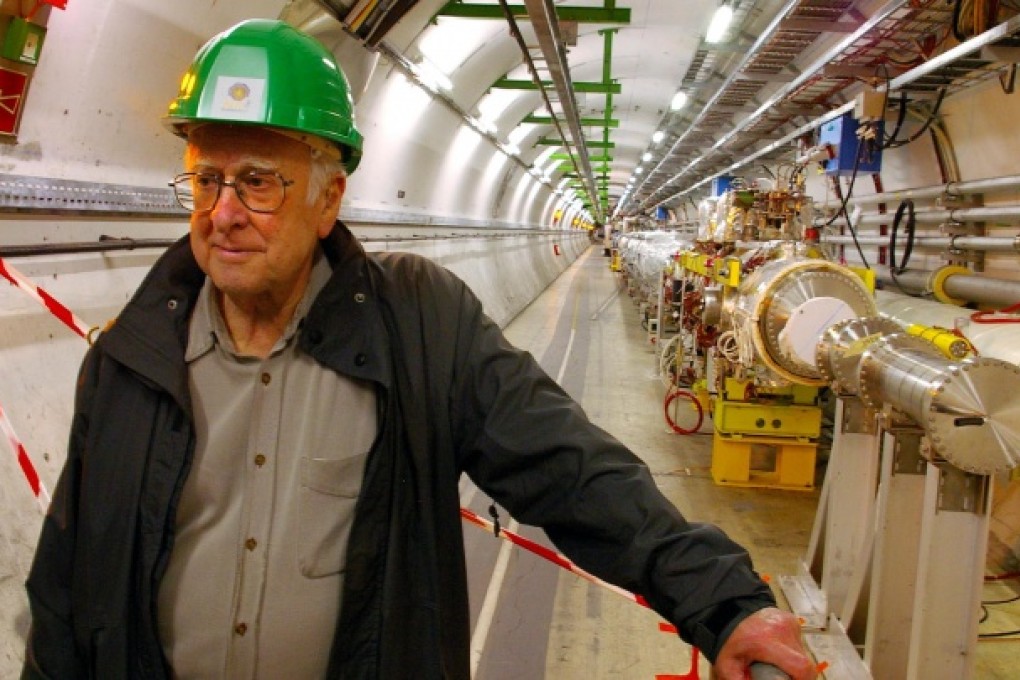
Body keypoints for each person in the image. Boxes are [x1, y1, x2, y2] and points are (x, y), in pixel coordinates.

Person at [21, 19, 816, 680]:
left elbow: (569, 468)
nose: (223, 212)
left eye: (258, 182)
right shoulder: (129, 359)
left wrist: (723, 603)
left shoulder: (417, 326)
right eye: (205, 180)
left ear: (329, 198)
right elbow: (64, 589)